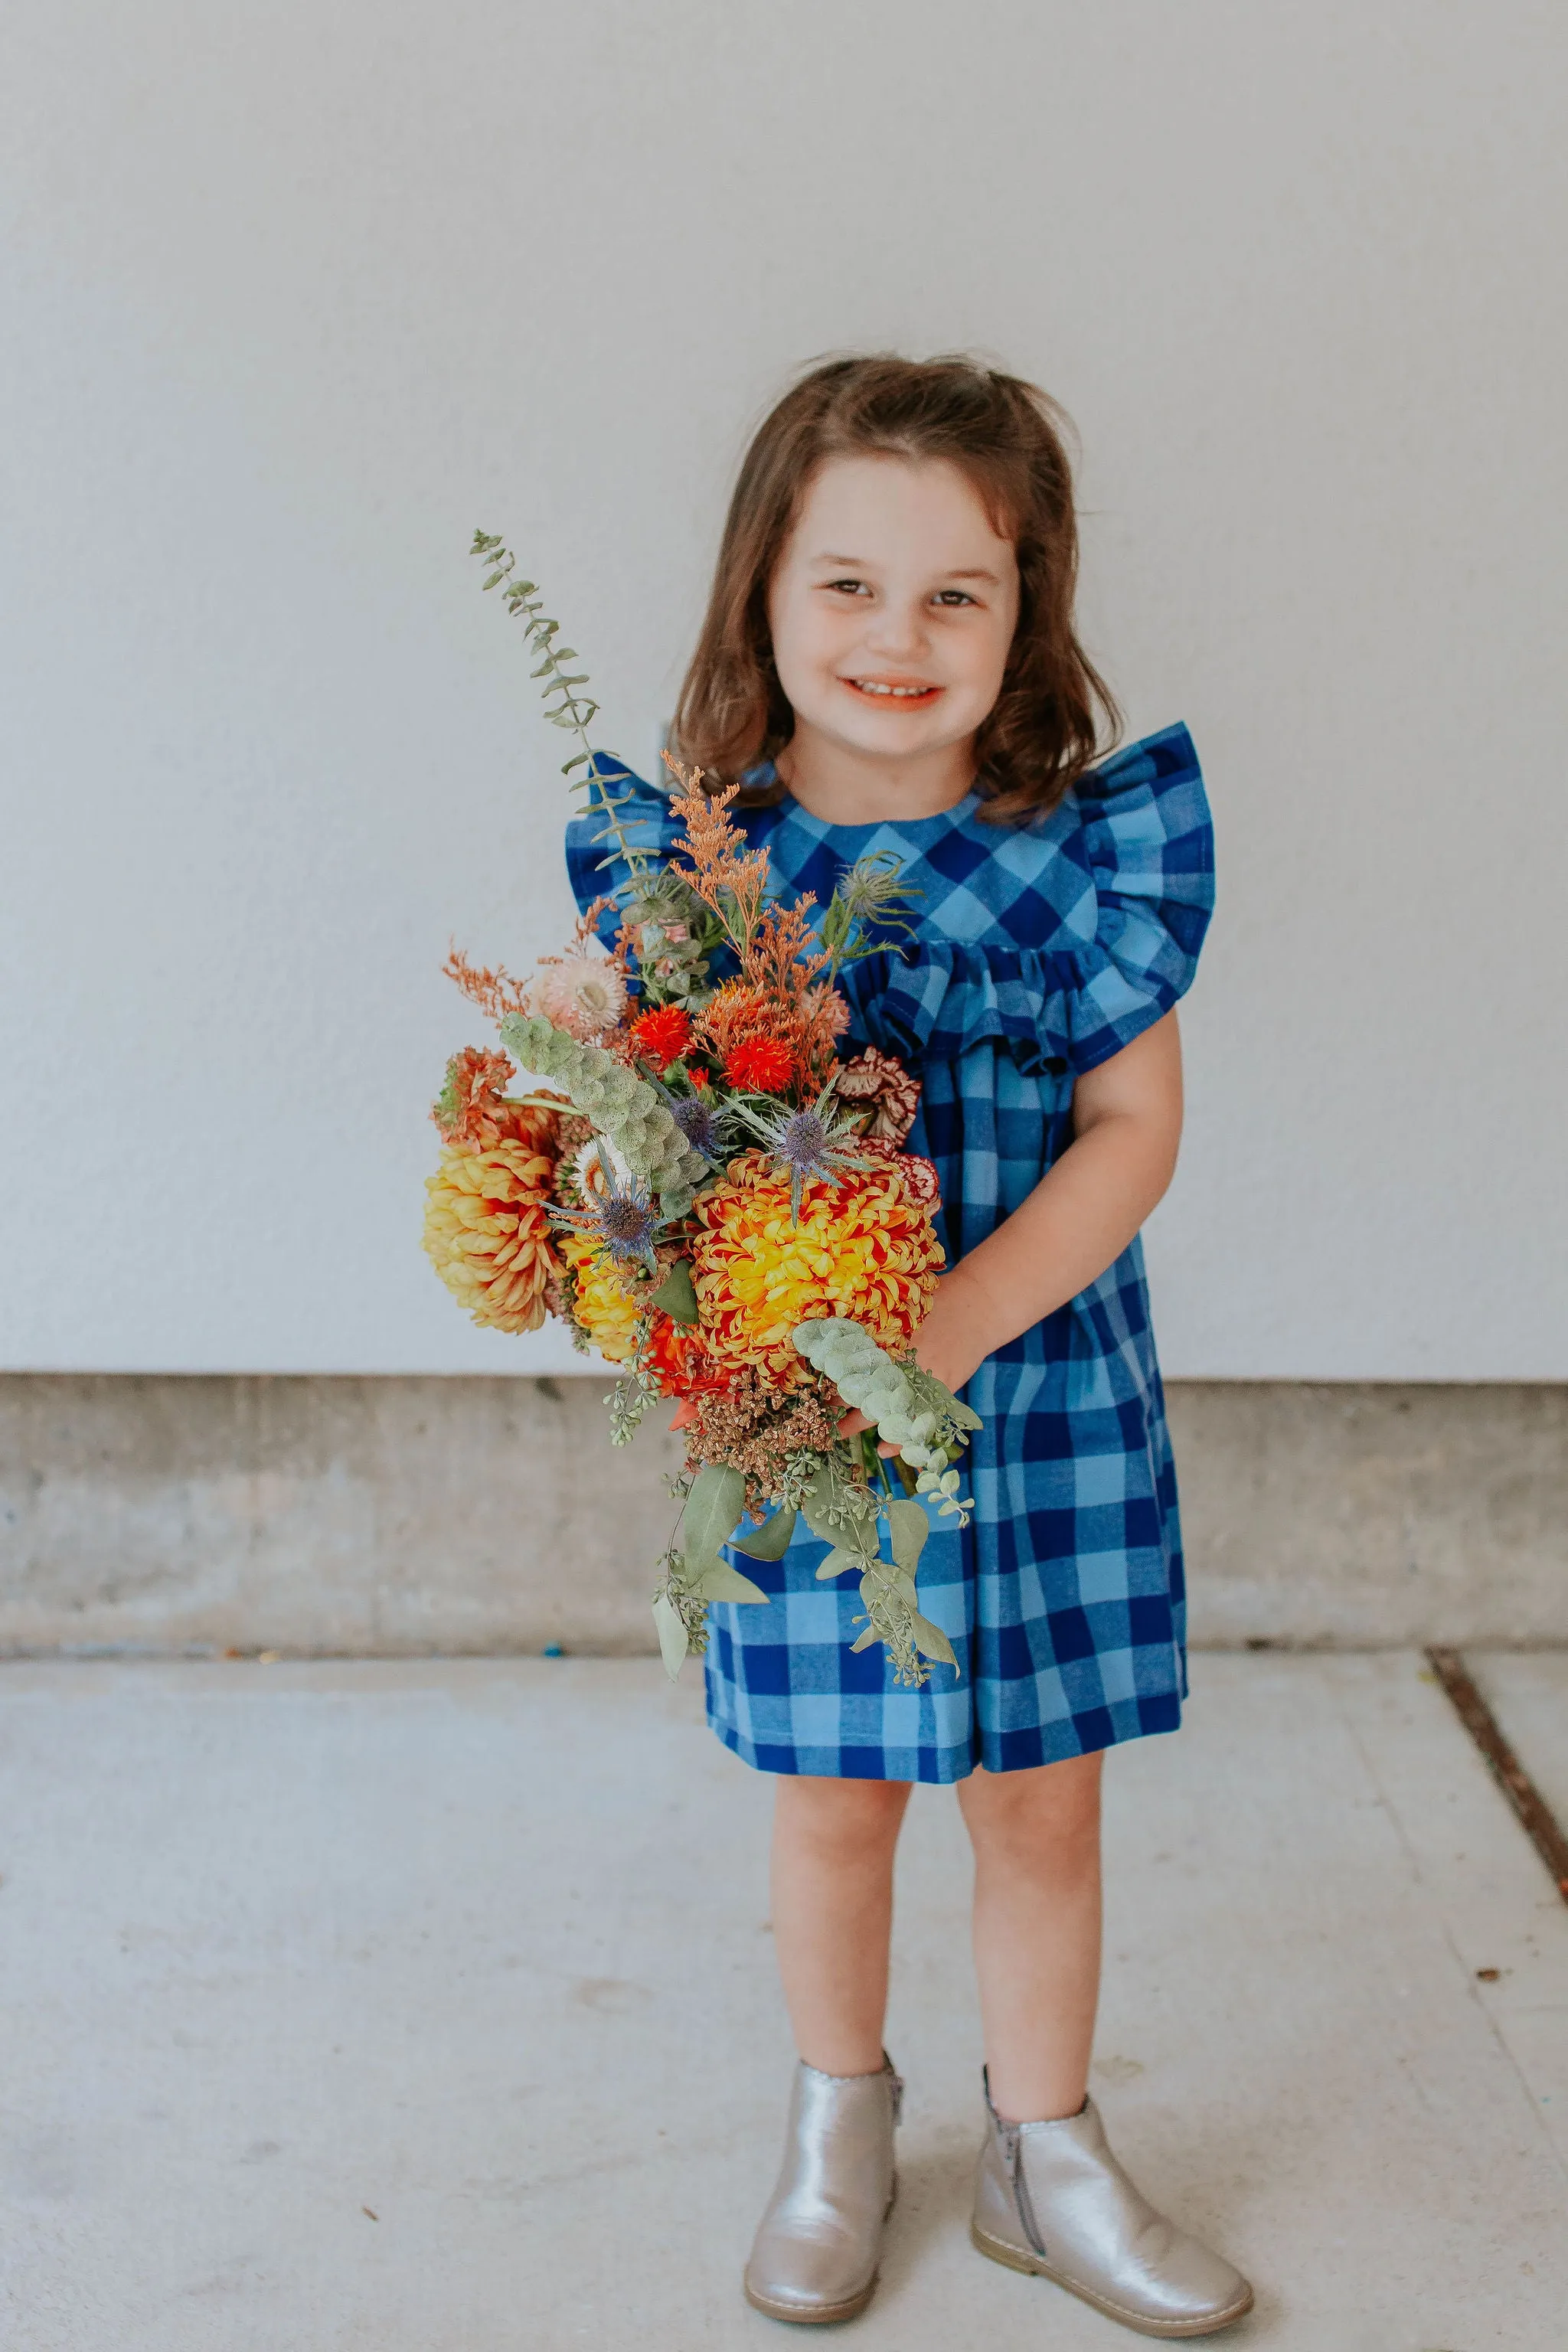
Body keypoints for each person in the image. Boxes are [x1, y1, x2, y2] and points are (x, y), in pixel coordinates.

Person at [566, 354, 1253, 2337]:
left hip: (1037, 1391)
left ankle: (1047, 2151)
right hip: (808, 1428)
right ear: (761, 595)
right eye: (848, 584)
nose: (898, 637)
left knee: (1043, 1794)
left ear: (1029, 615)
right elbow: (647, 1153)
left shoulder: (1083, 860)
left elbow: (1136, 1132)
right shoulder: (697, 877)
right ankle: (836, 2128)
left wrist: (947, 1325)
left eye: (960, 593)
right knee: (835, 1791)